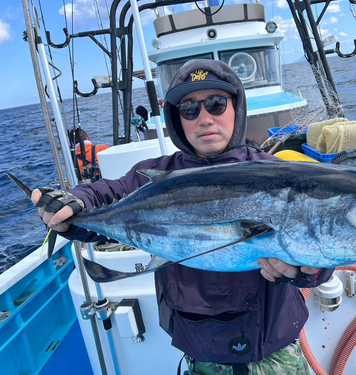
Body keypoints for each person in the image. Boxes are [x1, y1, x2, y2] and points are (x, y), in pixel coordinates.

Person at [32, 59, 334, 375]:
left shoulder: (274, 175)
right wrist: (71, 207)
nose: (204, 118)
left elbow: (323, 252)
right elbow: (102, 197)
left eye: (216, 104)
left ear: (235, 108)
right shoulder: (152, 178)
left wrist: (306, 271)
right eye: (190, 109)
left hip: (272, 354)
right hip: (199, 352)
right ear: (177, 119)